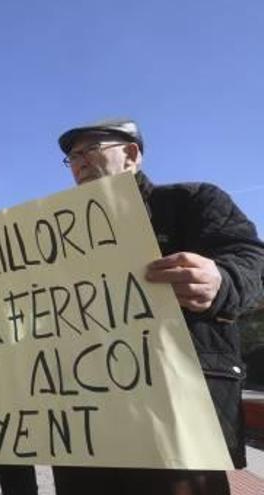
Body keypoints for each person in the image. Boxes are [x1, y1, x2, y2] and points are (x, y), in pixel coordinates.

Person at [52, 118, 264, 495]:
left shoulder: (192, 201)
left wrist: (221, 280)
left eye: (89, 150)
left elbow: (249, 259)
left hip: (175, 410)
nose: (78, 162)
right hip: (87, 420)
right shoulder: (55, 234)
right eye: (71, 157)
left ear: (131, 154)